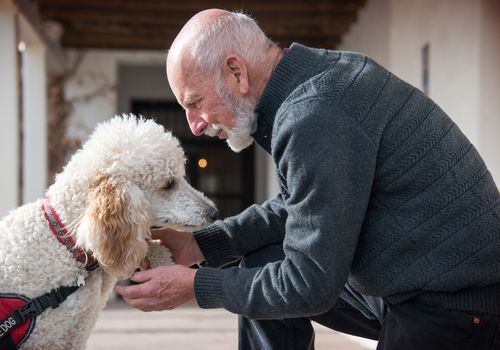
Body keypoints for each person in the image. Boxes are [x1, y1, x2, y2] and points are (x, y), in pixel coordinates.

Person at [115, 9, 500, 349]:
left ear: (236, 73)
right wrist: (200, 246)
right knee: (262, 260)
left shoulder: (314, 114)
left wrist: (196, 286)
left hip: (455, 306)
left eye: (194, 103)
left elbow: (309, 284)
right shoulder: (318, 81)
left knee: (278, 279)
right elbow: (297, 205)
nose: (194, 126)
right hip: (406, 285)